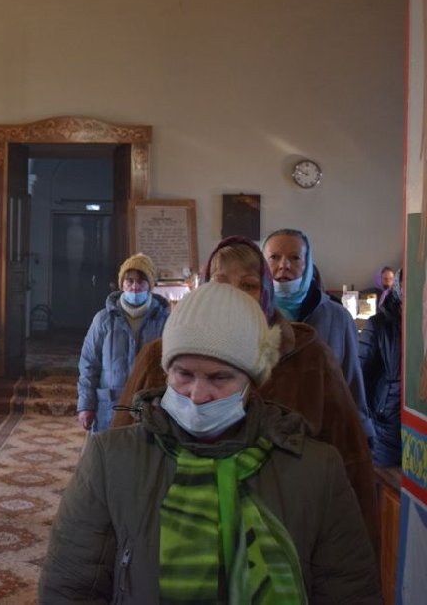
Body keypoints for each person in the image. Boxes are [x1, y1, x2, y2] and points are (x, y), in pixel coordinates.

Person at [40, 282, 381, 603]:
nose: (198, 394)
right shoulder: (111, 460)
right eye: (184, 374)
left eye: (220, 377)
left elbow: (349, 591)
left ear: (252, 380)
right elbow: (71, 587)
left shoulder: (316, 470)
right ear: (166, 371)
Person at [112, 236, 378, 547]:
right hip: (173, 528)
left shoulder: (309, 359)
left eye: (248, 285)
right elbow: (123, 447)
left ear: (265, 293)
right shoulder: (159, 357)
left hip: (281, 534)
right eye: (220, 283)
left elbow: (351, 464)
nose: (233, 296)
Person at [262, 228, 375, 441]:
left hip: (323, 437)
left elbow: (351, 382)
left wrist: (363, 433)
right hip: (263, 440)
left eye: (294, 258)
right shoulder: (252, 314)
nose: (284, 265)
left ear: (307, 264)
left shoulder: (338, 317)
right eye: (274, 257)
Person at [77, 252, 169, 433]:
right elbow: (89, 364)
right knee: (109, 449)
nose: (134, 287)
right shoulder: (103, 320)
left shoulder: (164, 320)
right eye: (129, 281)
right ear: (122, 284)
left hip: (149, 407)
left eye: (141, 281)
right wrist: (86, 405)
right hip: (109, 406)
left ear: (150, 285)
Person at [360, 270, 402, 467]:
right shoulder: (379, 324)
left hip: (416, 420)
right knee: (387, 478)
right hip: (387, 424)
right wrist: (372, 417)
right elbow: (361, 375)